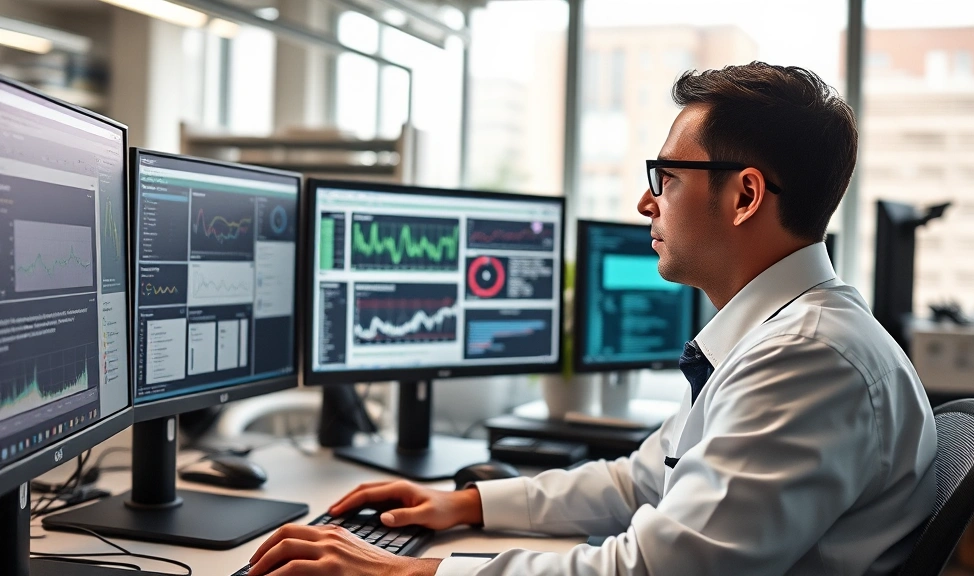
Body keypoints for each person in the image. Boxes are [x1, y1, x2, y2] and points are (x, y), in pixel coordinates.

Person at [248, 62, 937, 576]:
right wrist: (465, 506)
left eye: (666, 177)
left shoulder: (809, 359)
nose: (646, 202)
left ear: (744, 195)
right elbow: (640, 480)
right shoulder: (782, 338)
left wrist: (415, 570)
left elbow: (653, 570)